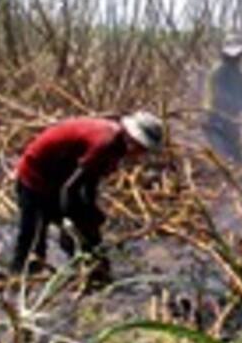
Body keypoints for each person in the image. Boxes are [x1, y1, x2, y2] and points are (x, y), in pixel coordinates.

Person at [10, 111, 164, 280]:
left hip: (59, 173)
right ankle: (19, 279)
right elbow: (70, 189)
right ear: (133, 139)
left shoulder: (117, 145)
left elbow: (90, 180)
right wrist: (69, 222)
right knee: (33, 236)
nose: (141, 154)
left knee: (88, 225)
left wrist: (90, 211)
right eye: (142, 148)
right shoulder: (105, 143)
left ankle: (93, 271)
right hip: (36, 174)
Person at [203, 43, 242, 163]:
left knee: (235, 156)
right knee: (223, 157)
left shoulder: (234, 71)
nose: (240, 57)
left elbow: (241, 95)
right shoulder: (220, 70)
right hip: (216, 119)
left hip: (228, 119)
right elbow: (221, 96)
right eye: (238, 54)